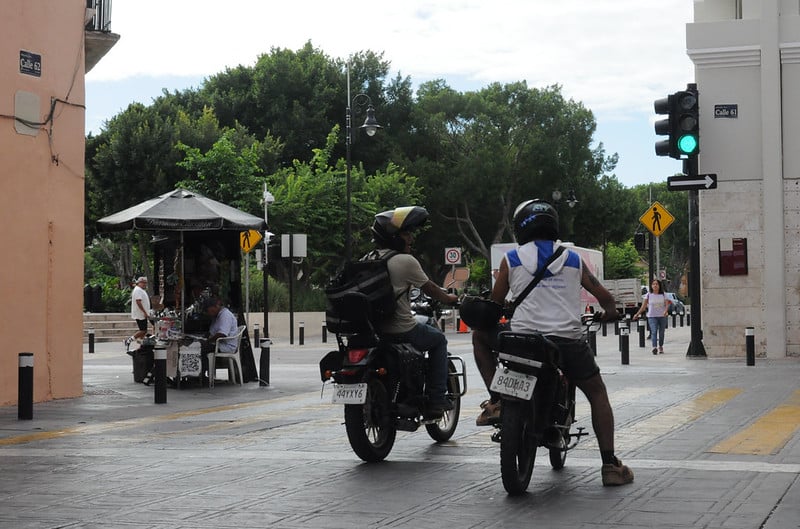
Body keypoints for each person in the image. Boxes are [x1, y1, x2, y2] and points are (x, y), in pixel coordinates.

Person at [473, 199, 634, 487]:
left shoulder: (511, 259)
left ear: (521, 226)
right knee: (597, 392)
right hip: (567, 341)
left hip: (522, 340)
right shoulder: (573, 259)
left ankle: (496, 400)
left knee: (479, 337)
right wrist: (609, 312)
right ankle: (610, 464)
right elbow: (605, 297)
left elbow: (495, 304)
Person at [370, 206, 459, 417]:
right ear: (394, 237)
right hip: (400, 330)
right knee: (438, 340)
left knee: (426, 328)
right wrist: (451, 298)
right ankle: (437, 398)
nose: (410, 239)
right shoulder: (405, 261)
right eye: (406, 234)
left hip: (374, 332)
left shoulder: (368, 258)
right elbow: (431, 289)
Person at [200, 296, 240, 381]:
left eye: (210, 311)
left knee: (202, 349)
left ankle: (202, 375)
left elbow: (222, 334)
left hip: (226, 345)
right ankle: (200, 374)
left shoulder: (225, 315)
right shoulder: (217, 316)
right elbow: (213, 331)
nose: (209, 313)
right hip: (219, 343)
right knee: (198, 345)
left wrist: (208, 341)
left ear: (215, 307)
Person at [634, 279, 671, 354]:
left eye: (656, 284)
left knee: (661, 332)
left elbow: (667, 305)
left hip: (662, 316)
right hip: (652, 316)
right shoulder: (648, 295)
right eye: (653, 284)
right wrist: (637, 314)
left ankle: (660, 346)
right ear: (651, 286)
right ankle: (654, 347)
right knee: (653, 331)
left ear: (659, 286)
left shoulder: (664, 294)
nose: (655, 285)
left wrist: (665, 311)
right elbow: (643, 307)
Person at [125, 276, 151, 350]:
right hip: (140, 314)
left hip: (143, 314)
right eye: (143, 283)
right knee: (143, 330)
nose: (144, 284)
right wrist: (144, 312)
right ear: (138, 283)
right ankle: (129, 340)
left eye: (145, 283)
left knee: (144, 330)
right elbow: (138, 301)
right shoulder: (138, 290)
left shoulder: (141, 290)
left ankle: (141, 346)